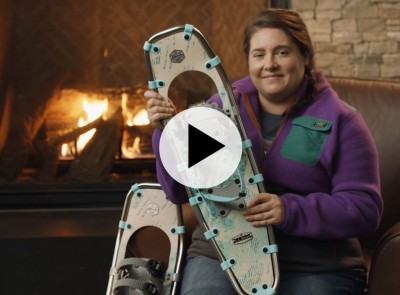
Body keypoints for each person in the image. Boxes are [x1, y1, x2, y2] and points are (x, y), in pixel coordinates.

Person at [145, 8, 383, 295]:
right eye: (259, 55)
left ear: (305, 57)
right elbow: (179, 192)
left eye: (282, 52)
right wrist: (166, 133)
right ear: (248, 61)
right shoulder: (219, 113)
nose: (269, 64)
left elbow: (365, 209)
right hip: (223, 256)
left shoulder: (341, 121)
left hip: (314, 264)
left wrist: (289, 210)